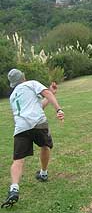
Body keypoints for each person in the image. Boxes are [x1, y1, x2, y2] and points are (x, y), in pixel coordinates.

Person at [1, 69, 64, 208]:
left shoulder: (13, 96)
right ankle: (43, 173)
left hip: (21, 127)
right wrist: (58, 109)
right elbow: (45, 93)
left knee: (18, 160)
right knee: (45, 146)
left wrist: (50, 93)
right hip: (38, 123)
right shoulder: (31, 83)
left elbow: (38, 106)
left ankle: (14, 188)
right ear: (23, 77)